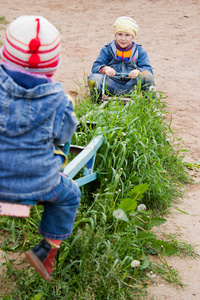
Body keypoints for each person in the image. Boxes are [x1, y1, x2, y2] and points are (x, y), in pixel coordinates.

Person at [0, 15, 81, 282]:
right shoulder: (59, 100)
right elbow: (63, 134)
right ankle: (46, 253)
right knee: (69, 195)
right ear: (53, 66)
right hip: (37, 186)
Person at [88, 16, 156, 100]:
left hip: (131, 85)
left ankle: (150, 105)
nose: (123, 38)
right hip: (111, 85)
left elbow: (148, 69)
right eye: (120, 34)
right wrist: (105, 69)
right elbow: (95, 67)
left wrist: (138, 71)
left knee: (147, 76)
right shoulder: (107, 49)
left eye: (127, 35)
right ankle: (95, 104)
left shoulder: (139, 51)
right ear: (115, 35)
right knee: (94, 78)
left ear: (133, 36)